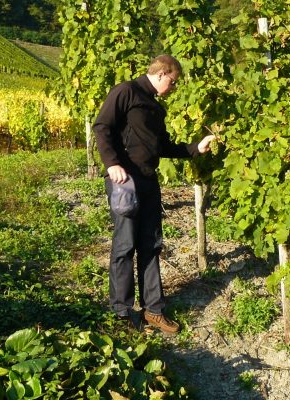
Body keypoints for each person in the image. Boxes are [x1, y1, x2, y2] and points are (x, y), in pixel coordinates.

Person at [93, 54, 216, 334]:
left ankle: (154, 310)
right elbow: (102, 127)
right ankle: (122, 313)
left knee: (151, 245)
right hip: (124, 181)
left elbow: (163, 147)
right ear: (162, 74)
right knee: (124, 246)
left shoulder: (155, 108)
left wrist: (196, 148)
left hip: (149, 181)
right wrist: (112, 164)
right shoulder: (126, 92)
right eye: (173, 82)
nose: (173, 88)